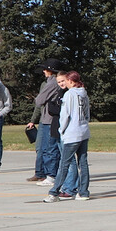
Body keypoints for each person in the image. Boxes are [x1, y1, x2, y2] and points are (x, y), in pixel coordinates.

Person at [43, 71, 91, 202]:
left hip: (72, 133)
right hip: (84, 131)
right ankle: (83, 192)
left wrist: (61, 130)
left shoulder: (70, 94)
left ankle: (54, 193)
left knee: (64, 164)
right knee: (83, 163)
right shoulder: (84, 93)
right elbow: (87, 114)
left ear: (71, 81)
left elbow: (65, 115)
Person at [26, 58, 65, 185]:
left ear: (51, 71)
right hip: (45, 119)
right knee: (44, 148)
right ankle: (44, 173)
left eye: (46, 69)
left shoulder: (52, 83)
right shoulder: (51, 82)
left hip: (49, 119)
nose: (43, 71)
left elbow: (39, 100)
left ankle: (51, 175)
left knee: (51, 149)